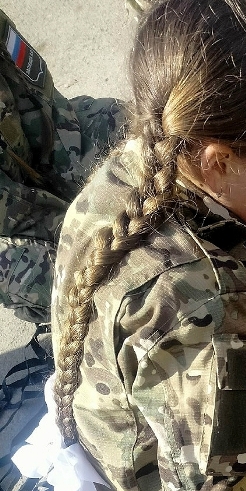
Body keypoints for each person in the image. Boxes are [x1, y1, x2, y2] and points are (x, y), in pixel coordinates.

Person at [45, 0, 246, 491]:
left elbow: (156, 334)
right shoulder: (208, 302)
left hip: (111, 444)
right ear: (218, 163)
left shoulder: (125, 177)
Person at [0, 9, 126, 325]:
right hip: (13, 225)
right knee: (94, 286)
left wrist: (106, 184)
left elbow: (47, 111)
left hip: (40, 156)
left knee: (141, 128)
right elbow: (17, 218)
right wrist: (89, 232)